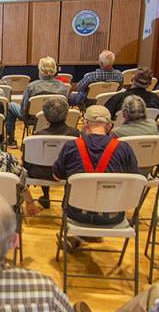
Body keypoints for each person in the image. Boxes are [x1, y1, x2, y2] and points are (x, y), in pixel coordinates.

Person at [52, 106, 138, 249]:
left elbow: (56, 176)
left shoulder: (71, 146)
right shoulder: (124, 148)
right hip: (111, 215)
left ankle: (79, 234)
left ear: (85, 123)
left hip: (76, 213)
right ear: (109, 126)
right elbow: (135, 182)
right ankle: (87, 234)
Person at [25, 97, 78, 209]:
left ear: (45, 116)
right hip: (65, 174)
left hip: (38, 173)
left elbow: (26, 161)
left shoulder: (37, 136)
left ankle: (46, 196)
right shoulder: (74, 134)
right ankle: (65, 202)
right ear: (67, 114)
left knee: (44, 162)